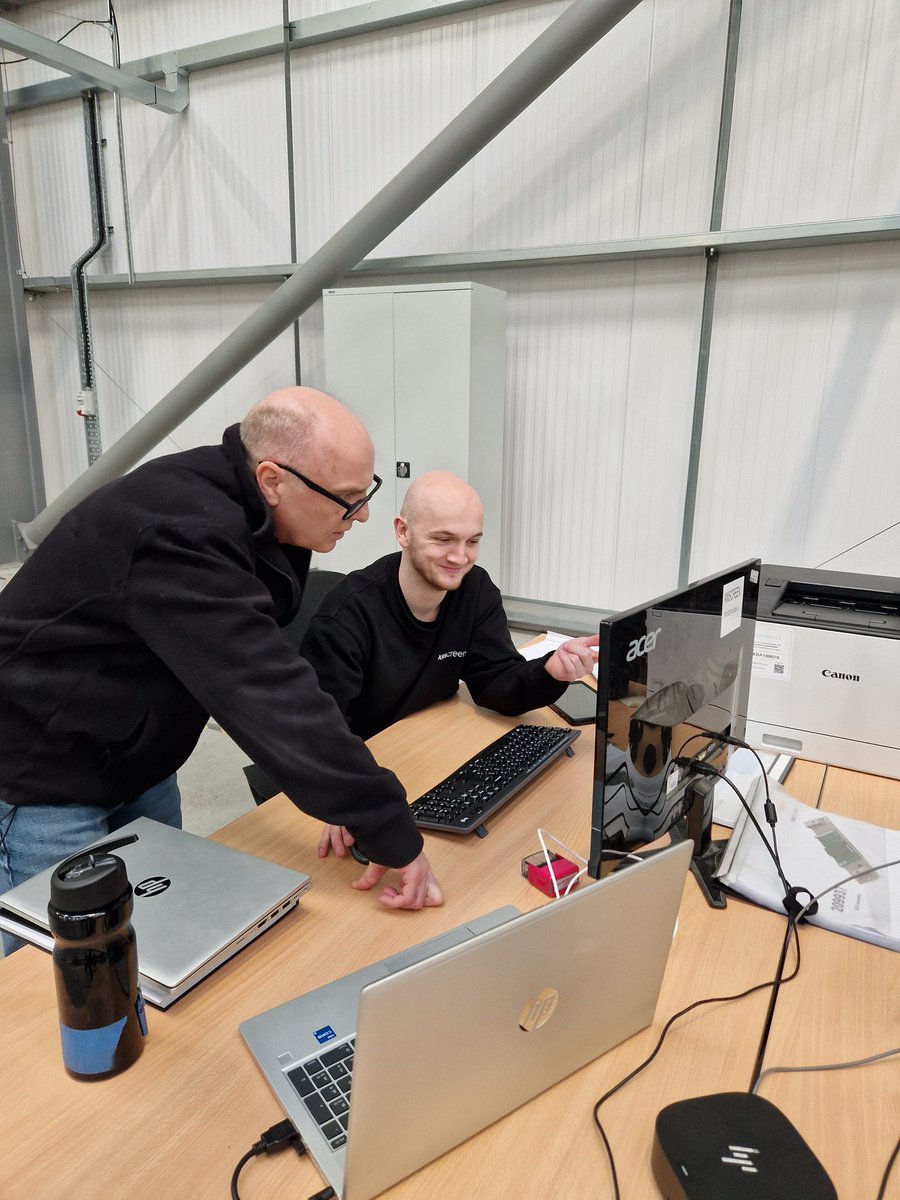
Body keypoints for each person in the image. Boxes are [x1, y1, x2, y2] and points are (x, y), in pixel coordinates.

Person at [0, 387, 442, 940]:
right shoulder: (181, 530)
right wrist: (385, 823)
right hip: (45, 776)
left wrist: (344, 794)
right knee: (64, 979)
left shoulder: (264, 512)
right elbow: (266, 692)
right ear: (273, 480)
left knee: (159, 939)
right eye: (348, 499)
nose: (363, 514)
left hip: (138, 759)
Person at [299, 470, 599, 860]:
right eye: (443, 540)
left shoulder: (474, 591)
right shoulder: (346, 617)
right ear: (402, 532)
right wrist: (342, 792)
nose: (460, 558)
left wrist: (550, 671)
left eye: (472, 541)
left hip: (427, 753)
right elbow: (317, 735)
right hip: (361, 772)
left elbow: (495, 684)